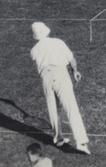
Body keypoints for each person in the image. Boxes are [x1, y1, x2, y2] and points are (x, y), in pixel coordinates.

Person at [30, 22, 91, 155]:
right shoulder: (58, 42)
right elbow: (71, 59)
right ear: (46, 31)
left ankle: (58, 138)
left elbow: (39, 65)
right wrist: (75, 71)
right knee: (71, 107)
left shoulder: (33, 51)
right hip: (60, 74)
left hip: (46, 77)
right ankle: (80, 142)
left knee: (53, 109)